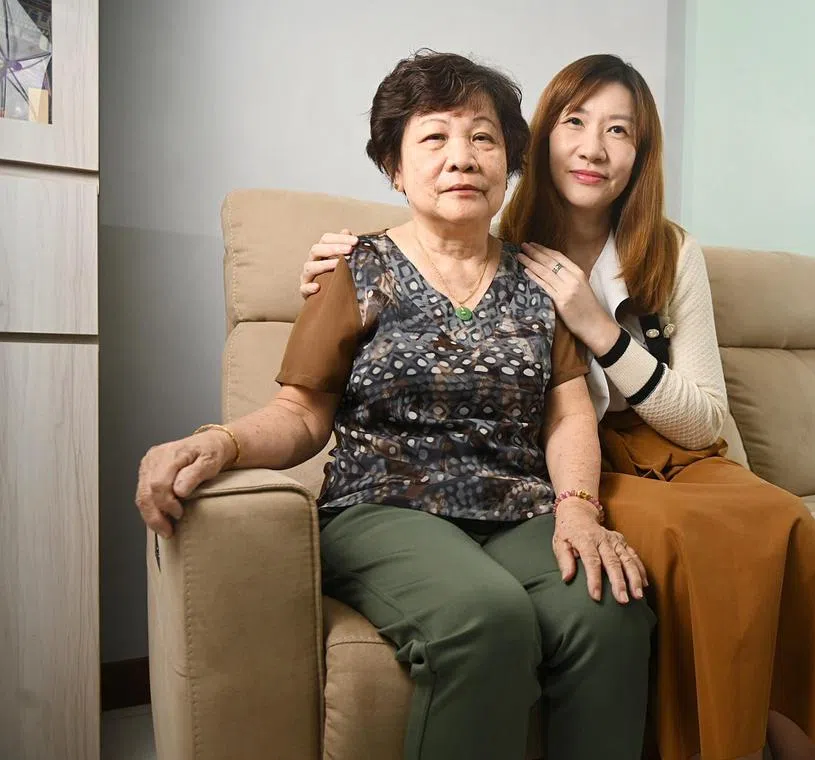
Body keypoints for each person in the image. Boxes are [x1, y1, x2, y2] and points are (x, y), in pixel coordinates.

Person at [301, 54, 815, 760]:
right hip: (575, 459)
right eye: (575, 121)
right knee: (678, 551)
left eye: (620, 131)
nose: (595, 147)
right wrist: (348, 255)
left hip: (660, 448)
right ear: (537, 142)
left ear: (641, 154)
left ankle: (800, 746)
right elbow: (434, 230)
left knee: (778, 520)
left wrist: (597, 324)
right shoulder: (504, 233)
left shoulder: (667, 249)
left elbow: (702, 420)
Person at [134, 51, 656, 760]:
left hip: (517, 508)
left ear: (509, 166)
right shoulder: (355, 269)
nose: (461, 158)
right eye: (433, 138)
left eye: (482, 138)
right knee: (486, 616)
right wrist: (220, 442)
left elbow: (566, 415)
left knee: (612, 611)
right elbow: (301, 414)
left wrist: (577, 509)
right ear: (396, 168)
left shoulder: (541, 283)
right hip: (381, 507)